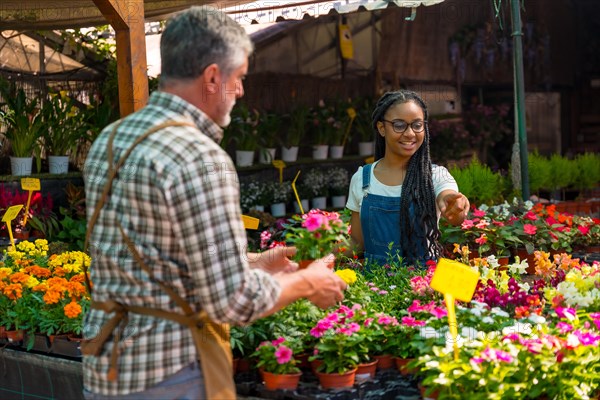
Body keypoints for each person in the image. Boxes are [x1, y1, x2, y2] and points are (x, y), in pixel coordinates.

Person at [81, 7, 346, 400]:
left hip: (109, 367)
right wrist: (309, 281)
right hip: (171, 374)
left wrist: (253, 262)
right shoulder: (199, 156)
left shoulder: (112, 138)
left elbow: (147, 254)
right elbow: (233, 302)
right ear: (211, 77)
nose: (240, 91)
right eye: (238, 78)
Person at [346, 90, 470, 267]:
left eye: (417, 125)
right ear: (382, 128)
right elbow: (357, 243)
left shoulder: (436, 176)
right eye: (399, 125)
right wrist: (311, 252)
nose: (410, 133)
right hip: (374, 287)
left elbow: (450, 203)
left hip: (421, 286)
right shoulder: (362, 179)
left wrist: (454, 206)